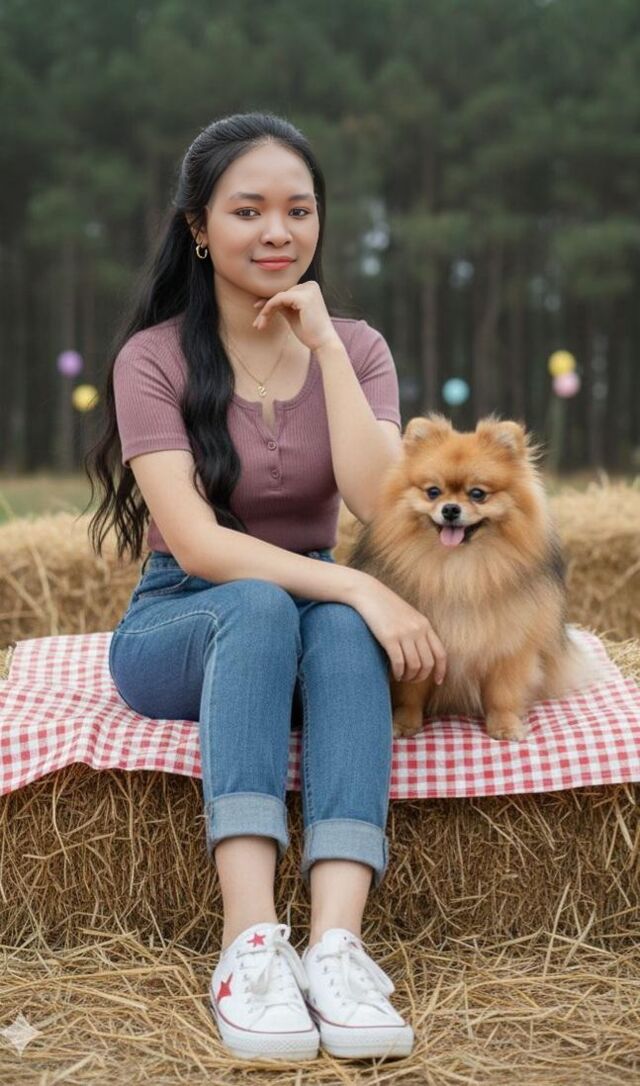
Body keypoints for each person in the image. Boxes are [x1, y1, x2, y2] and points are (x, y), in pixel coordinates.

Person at [86, 111, 445, 1063]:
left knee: (337, 626)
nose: (278, 231)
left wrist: (325, 347)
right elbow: (200, 544)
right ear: (199, 228)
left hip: (312, 614)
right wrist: (358, 588)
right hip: (181, 619)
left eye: (299, 209)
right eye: (248, 211)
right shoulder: (153, 357)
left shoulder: (358, 349)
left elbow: (374, 501)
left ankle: (336, 948)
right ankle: (248, 947)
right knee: (269, 602)